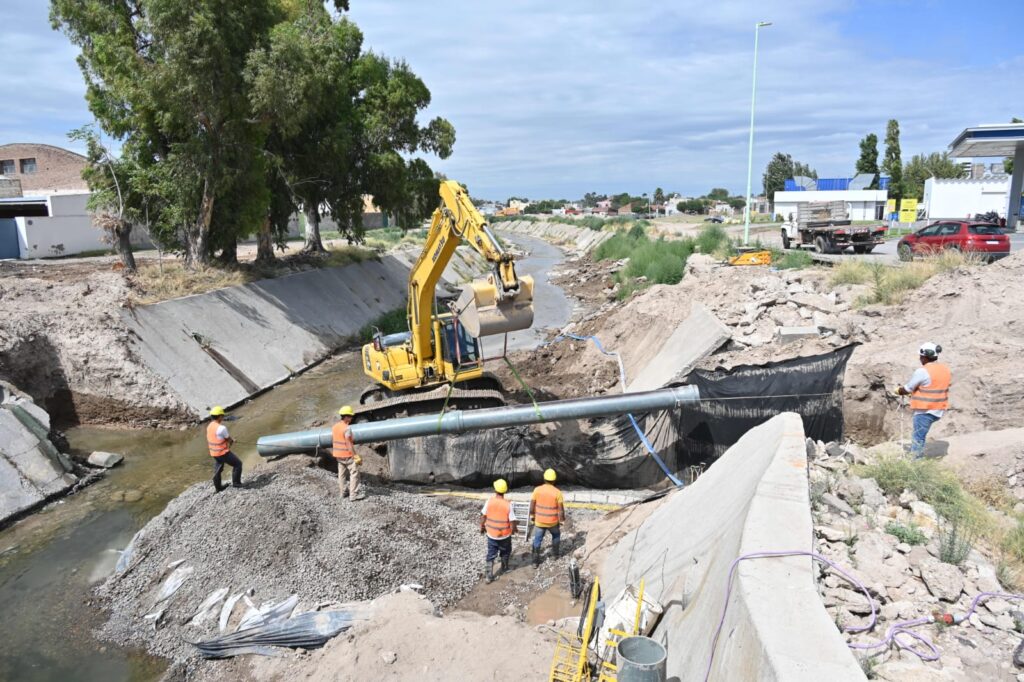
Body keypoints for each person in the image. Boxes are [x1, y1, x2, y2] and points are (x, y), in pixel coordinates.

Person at [894, 342, 950, 459]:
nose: (920, 359)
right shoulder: (944, 369)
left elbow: (908, 388)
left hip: (925, 411)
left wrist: (899, 390)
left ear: (924, 357)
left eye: (920, 357)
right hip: (938, 409)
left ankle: (916, 465)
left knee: (918, 438)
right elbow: (932, 386)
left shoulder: (923, 371)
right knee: (920, 436)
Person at [480, 478, 518, 583]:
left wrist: (482, 527)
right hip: (505, 535)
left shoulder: (489, 502)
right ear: (505, 491)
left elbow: (483, 516)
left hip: (491, 534)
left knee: (491, 554)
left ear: (495, 490)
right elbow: (512, 521)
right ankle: (504, 568)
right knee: (505, 551)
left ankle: (488, 576)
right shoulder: (508, 504)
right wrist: (514, 530)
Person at [530, 468, 565, 567]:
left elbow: (532, 506)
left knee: (537, 539)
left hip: (540, 522)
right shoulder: (557, 492)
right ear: (554, 480)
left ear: (544, 478)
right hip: (553, 522)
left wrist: (532, 516)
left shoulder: (537, 490)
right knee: (556, 535)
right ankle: (555, 555)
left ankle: (535, 562)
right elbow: (561, 509)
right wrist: (561, 520)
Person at [207, 406, 242, 492]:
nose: (223, 417)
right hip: (222, 453)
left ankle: (218, 488)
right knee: (238, 464)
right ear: (219, 416)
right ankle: (236, 483)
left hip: (213, 453)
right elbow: (228, 439)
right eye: (222, 416)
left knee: (218, 470)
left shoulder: (209, 426)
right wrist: (233, 440)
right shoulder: (222, 428)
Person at [332, 405, 363, 500]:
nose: (352, 418)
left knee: (341, 475)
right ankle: (353, 495)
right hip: (347, 455)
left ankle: (343, 493)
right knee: (354, 473)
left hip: (338, 455)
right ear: (346, 416)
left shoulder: (335, 427)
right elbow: (348, 444)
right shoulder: (347, 428)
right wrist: (355, 456)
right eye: (350, 416)